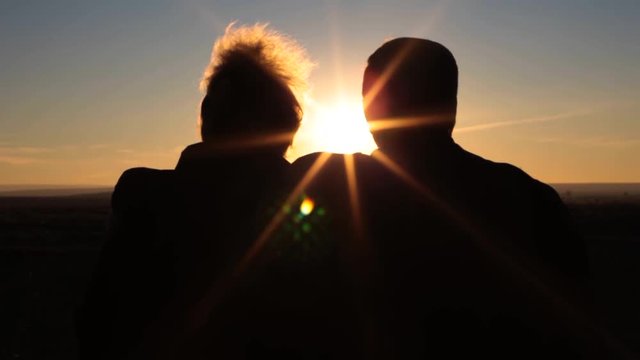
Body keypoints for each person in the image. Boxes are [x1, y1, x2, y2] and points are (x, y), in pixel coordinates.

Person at [291, 38, 605, 358]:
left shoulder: (326, 183)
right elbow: (580, 324)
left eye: (372, 96)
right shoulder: (530, 198)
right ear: (451, 104)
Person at [76, 23, 313, 360]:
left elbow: (98, 320)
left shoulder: (142, 194)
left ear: (207, 117)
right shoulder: (305, 198)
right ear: (286, 127)